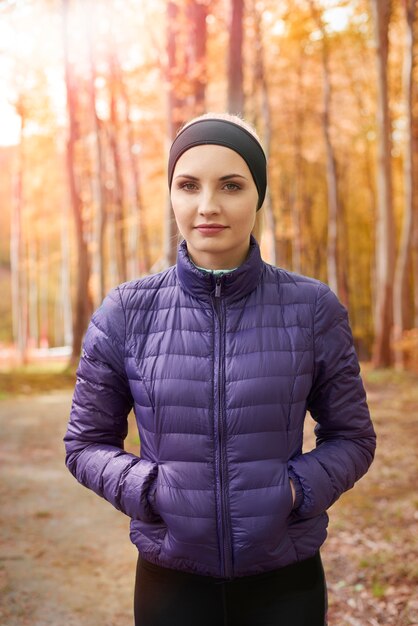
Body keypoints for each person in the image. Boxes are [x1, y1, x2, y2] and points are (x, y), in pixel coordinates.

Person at [63, 112, 376, 626]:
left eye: (231, 185)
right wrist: (147, 490)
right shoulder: (126, 311)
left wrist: (294, 490)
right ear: (172, 196)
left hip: (286, 582)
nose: (208, 206)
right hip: (170, 584)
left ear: (259, 195)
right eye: (188, 185)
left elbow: (353, 438)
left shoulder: (312, 308)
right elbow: (84, 444)